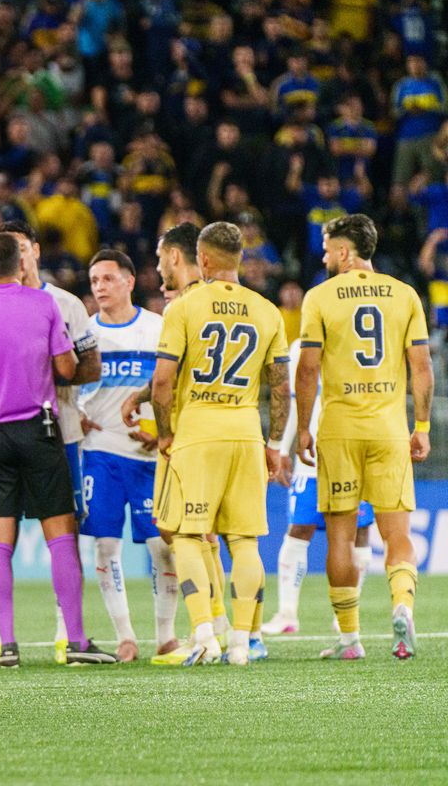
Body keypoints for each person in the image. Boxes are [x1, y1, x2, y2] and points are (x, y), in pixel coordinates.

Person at [0, 231, 116, 666]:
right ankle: (77, 642)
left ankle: (6, 645)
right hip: (41, 429)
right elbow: (67, 366)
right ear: (21, 263)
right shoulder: (45, 304)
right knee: (60, 537)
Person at [151, 221, 290, 667]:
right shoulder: (267, 311)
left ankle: (206, 634)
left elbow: (162, 383)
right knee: (245, 541)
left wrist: (165, 432)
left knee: (189, 535)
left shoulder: (186, 307)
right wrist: (274, 442)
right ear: (241, 259)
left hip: (197, 432)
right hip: (247, 433)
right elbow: (281, 386)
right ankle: (242, 643)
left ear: (203, 260)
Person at [295, 214, 433, 660]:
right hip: (389, 429)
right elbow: (422, 368)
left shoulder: (319, 297)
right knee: (397, 532)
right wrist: (423, 427)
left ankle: (350, 640)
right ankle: (402, 606)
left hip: (339, 430)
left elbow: (308, 369)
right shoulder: (405, 295)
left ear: (343, 252)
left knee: (339, 536)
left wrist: (301, 428)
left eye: (326, 246)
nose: (322, 255)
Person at [0, 219, 100, 667]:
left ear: (33, 250)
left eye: (22, 248)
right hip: (19, 430)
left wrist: (34, 377)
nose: (19, 257)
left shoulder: (64, 303)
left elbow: (91, 366)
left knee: (63, 534)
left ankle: (63, 636)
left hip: (61, 430)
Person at [78, 248, 178, 662]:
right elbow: (65, 385)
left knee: (162, 547)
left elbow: (173, 385)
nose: (99, 287)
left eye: (107, 279)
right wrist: (75, 417)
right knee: (105, 546)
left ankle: (166, 635)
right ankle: (125, 636)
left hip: (148, 455)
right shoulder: (84, 332)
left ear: (130, 282)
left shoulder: (159, 328)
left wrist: (166, 432)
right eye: (95, 280)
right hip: (99, 453)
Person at [261, 337, 376, 636]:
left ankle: (348, 612)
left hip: (353, 454)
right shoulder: (301, 345)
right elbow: (292, 399)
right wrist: (283, 448)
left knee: (359, 531)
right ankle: (287, 613)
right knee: (298, 529)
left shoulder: (361, 342)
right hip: (309, 458)